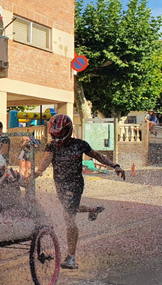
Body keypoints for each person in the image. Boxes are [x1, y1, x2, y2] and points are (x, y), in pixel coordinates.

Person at [34, 114, 125, 270]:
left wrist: (115, 165)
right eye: (54, 134)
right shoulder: (51, 146)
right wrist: (37, 173)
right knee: (70, 209)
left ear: (68, 130)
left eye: (60, 133)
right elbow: (46, 160)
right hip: (60, 185)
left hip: (75, 184)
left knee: (68, 216)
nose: (57, 137)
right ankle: (92, 210)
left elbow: (97, 156)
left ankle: (71, 258)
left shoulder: (80, 145)